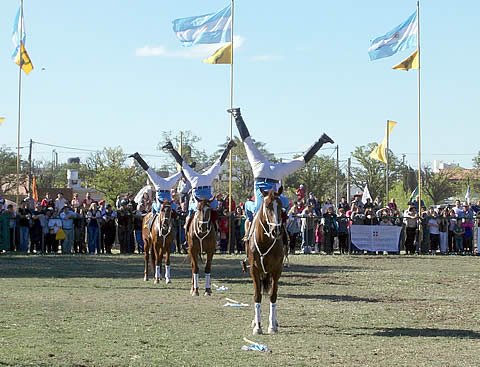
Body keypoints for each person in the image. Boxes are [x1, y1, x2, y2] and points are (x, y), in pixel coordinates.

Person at [228, 107, 334, 221]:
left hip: (262, 174)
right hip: (274, 173)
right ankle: (321, 140)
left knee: (255, 208)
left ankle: (237, 115)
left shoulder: (259, 165)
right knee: (301, 162)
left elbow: (246, 139)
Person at [162, 139, 236, 230]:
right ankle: (216, 227)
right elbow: (220, 161)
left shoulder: (195, 177)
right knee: (214, 207)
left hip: (198, 199)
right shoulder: (207, 176)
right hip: (206, 198)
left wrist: (172, 150)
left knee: (192, 209)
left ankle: (187, 226)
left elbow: (181, 162)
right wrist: (228, 148)